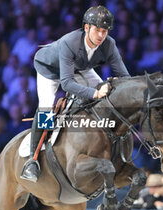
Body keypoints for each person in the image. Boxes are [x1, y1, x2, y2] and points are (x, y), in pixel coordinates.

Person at [21, 5, 130, 182]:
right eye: (97, 30)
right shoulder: (70, 42)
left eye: (105, 31)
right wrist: (95, 94)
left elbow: (124, 76)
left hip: (80, 68)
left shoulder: (109, 44)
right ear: (86, 27)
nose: (101, 35)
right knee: (46, 109)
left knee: (107, 94)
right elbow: (66, 83)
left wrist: (124, 85)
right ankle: (32, 161)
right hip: (49, 70)